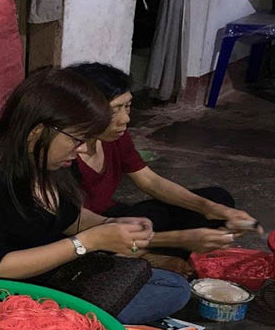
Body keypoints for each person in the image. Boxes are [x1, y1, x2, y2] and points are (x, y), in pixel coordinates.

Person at [0, 67, 192, 326]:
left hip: (51, 277)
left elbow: (69, 217)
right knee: (169, 291)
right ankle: (53, 327)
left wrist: (110, 224)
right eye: (77, 140)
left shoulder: (46, 163)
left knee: (173, 285)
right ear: (37, 132)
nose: (81, 150)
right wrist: (87, 242)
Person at [67, 62, 263, 274]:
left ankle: (141, 254)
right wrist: (179, 239)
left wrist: (210, 208)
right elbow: (73, 223)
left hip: (115, 218)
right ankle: (145, 257)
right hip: (84, 232)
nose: (126, 119)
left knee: (217, 198)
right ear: (88, 110)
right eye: (115, 110)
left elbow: (150, 181)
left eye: (128, 106)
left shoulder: (113, 137)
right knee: (90, 254)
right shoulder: (63, 154)